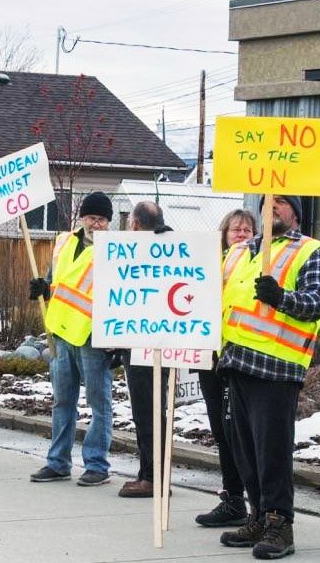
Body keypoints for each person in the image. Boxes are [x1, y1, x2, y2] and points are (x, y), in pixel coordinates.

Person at [217, 195, 320, 560]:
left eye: (281, 202)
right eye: (268, 202)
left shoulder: (310, 250)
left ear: (295, 213)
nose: (273, 208)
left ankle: (280, 523)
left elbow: (318, 302)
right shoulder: (239, 251)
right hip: (236, 360)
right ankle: (257, 516)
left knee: (272, 451)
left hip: (277, 366)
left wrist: (281, 297)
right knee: (245, 450)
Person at [27, 191, 115, 487]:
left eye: (102, 219)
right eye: (92, 217)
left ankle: (97, 465)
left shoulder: (117, 250)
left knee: (98, 402)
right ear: (82, 218)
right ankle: (58, 462)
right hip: (61, 332)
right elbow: (59, 282)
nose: (96, 223)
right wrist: (44, 287)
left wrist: (116, 339)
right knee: (62, 400)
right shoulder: (64, 241)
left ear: (109, 222)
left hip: (93, 337)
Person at [193, 208, 256, 526]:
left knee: (238, 432)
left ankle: (252, 501)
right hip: (211, 354)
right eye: (236, 229)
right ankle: (232, 500)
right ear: (224, 232)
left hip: (240, 355)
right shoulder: (211, 262)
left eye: (247, 229)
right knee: (220, 429)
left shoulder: (257, 262)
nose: (242, 234)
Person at [117, 201, 173, 498]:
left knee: (148, 412)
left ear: (135, 225)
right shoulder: (174, 249)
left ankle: (154, 477)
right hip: (156, 343)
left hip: (146, 346)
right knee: (152, 411)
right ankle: (149, 473)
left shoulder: (133, 252)